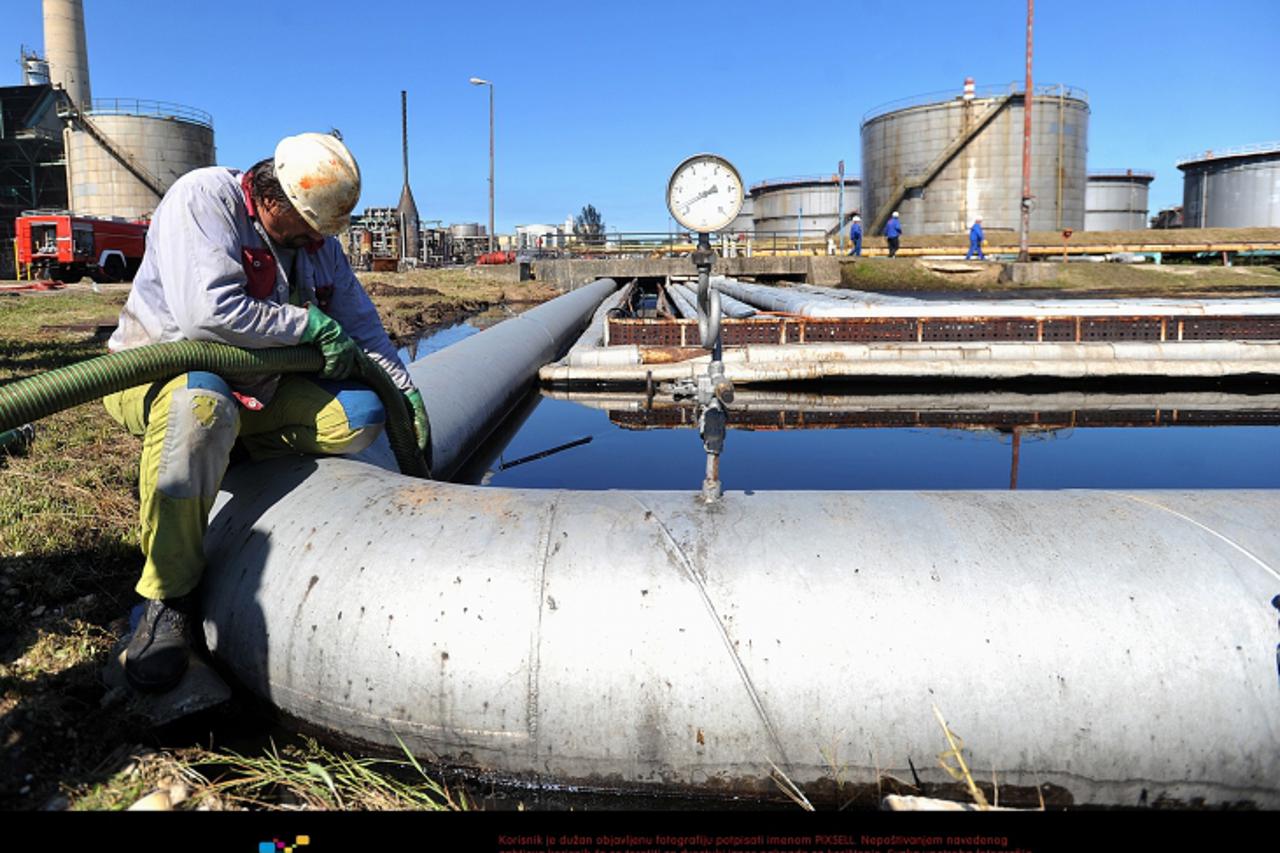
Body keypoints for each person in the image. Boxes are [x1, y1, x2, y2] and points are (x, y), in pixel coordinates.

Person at [104, 132, 431, 693]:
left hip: (256, 386)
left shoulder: (316, 243)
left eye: (320, 234)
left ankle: (227, 455)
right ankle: (167, 597)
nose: (313, 244)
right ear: (273, 198)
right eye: (306, 229)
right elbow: (207, 314)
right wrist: (306, 325)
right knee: (201, 407)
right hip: (159, 373)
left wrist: (406, 394)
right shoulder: (205, 199)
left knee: (359, 415)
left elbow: (363, 328)